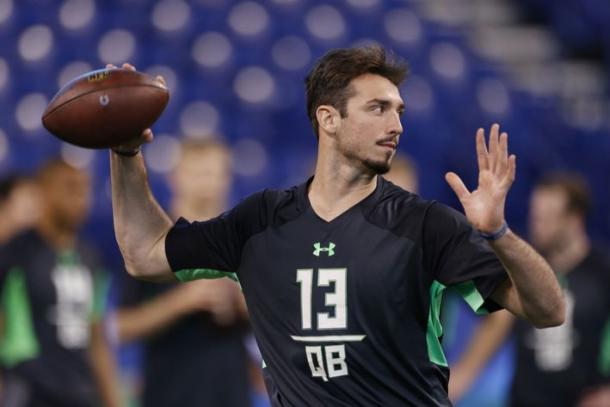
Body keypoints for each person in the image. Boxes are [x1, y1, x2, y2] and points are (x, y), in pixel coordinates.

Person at [108, 46, 564, 405]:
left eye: (399, 111)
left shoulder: (426, 225)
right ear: (329, 119)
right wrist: (126, 154)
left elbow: (548, 311)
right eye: (378, 109)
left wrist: (498, 234)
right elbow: (144, 252)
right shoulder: (259, 223)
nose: (396, 125)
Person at [449, 173, 610, 407]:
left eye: (546, 219)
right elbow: (497, 324)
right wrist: (460, 379)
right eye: (535, 217)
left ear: (574, 219)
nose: (536, 226)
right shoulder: (526, 270)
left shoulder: (602, 271)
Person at [114, 139, 253, 407]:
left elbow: (280, 317)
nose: (206, 182)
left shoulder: (245, 240)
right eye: (198, 173)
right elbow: (120, 327)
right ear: (175, 178)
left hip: (232, 395)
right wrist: (183, 301)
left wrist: (238, 301)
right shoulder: (151, 241)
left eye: (213, 173)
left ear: (227, 179)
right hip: (169, 394)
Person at [0, 159, 121, 407]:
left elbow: (96, 337)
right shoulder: (16, 253)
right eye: (70, 188)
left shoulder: (91, 258)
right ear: (43, 192)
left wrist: (114, 401)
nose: (81, 198)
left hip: (80, 391)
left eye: (84, 189)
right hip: (28, 388)